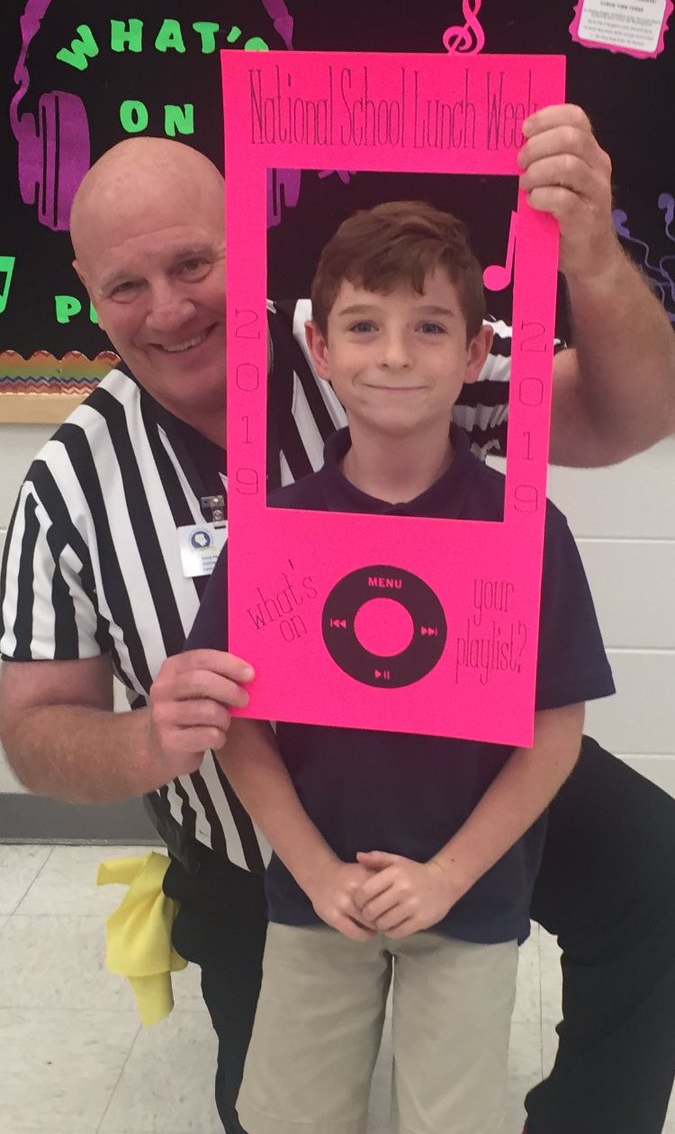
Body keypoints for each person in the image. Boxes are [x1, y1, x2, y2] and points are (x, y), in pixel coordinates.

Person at [0, 106, 673, 1134]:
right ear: (87, 294)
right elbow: (32, 731)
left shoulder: (378, 333)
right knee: (269, 1108)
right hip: (261, 834)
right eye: (126, 286)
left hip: (463, 779)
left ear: (248, 248)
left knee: (653, 866)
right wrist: (148, 740)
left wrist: (591, 257)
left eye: (193, 264)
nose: (169, 309)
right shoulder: (67, 485)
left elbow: (635, 411)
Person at [185, 199, 616, 1134]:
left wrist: (448, 877)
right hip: (317, 895)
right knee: (290, 1117)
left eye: (428, 327)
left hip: (467, 897)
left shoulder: (524, 529)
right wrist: (314, 869)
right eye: (362, 326)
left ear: (474, 352)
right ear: (318, 346)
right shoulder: (277, 531)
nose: (392, 355)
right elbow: (238, 726)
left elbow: (554, 730)